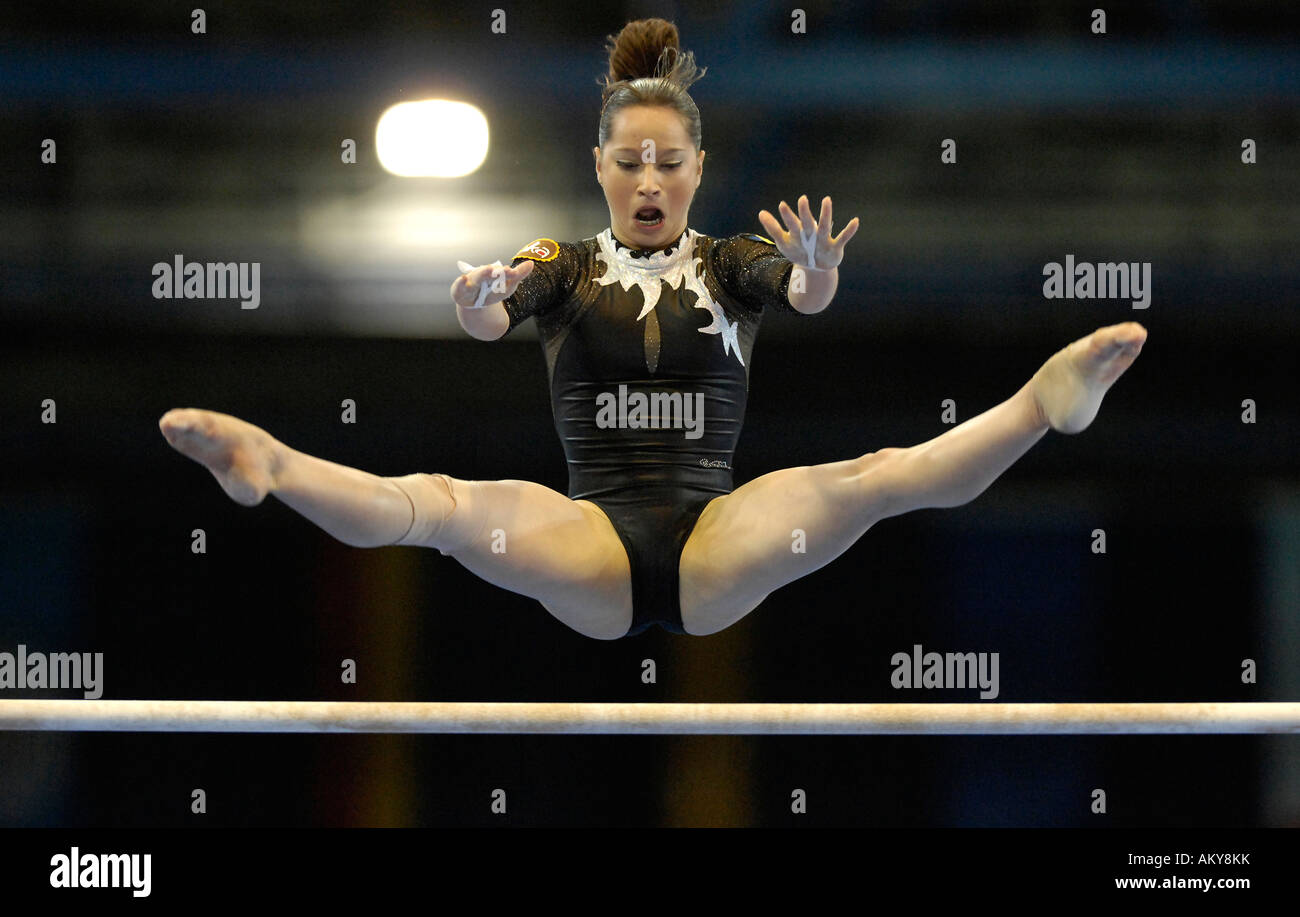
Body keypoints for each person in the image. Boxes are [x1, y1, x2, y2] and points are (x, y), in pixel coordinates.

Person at [159, 18, 1146, 640]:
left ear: (698, 168)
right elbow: (489, 312)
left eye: (668, 162)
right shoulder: (562, 263)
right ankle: (272, 464)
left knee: (870, 477)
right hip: (589, 540)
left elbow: (803, 299)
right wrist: (472, 301)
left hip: (717, 538)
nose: (648, 181)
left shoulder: (729, 263)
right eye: (629, 161)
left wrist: (815, 269)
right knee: (449, 508)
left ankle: (1038, 403)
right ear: (599, 166)